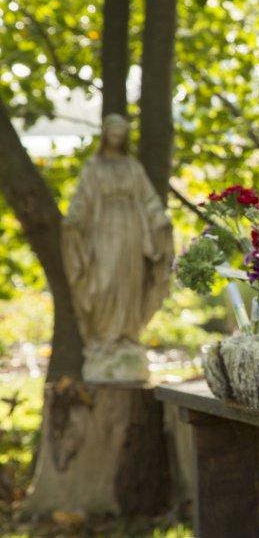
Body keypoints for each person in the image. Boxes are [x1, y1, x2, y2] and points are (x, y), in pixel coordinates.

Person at [62, 114, 173, 382]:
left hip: (132, 233)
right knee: (104, 283)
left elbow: (148, 200)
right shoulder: (93, 166)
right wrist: (74, 217)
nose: (117, 136)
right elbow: (82, 199)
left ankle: (126, 337)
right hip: (102, 233)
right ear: (105, 134)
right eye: (113, 131)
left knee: (128, 284)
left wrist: (160, 220)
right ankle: (104, 340)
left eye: (121, 132)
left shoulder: (132, 167)